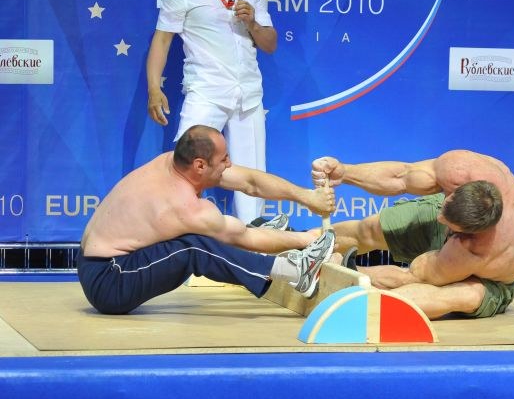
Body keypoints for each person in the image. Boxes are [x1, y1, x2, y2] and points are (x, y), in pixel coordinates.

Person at [78, 125, 337, 315]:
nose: (229, 163)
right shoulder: (184, 207)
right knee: (195, 247)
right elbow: (245, 238)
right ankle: (296, 271)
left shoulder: (175, 162)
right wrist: (306, 239)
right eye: (224, 159)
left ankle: (272, 242)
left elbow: (250, 182)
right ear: (200, 165)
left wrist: (307, 197)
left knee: (218, 233)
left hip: (102, 260)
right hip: (109, 280)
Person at [146, 0, 276, 224]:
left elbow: (270, 43)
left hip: (248, 96)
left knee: (252, 179)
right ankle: (178, 239)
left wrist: (252, 22)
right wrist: (153, 88)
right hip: (206, 92)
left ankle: (251, 244)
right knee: (185, 170)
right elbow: (162, 41)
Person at [310, 150, 514, 319]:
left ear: (468, 233)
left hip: (485, 278)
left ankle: (355, 296)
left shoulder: (477, 249)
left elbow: (413, 276)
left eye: (448, 223)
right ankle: (303, 247)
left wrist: (348, 272)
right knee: (369, 230)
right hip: (462, 217)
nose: (439, 219)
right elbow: (402, 176)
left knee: (466, 296)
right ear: (456, 190)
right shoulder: (463, 169)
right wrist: (345, 173)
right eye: (443, 207)